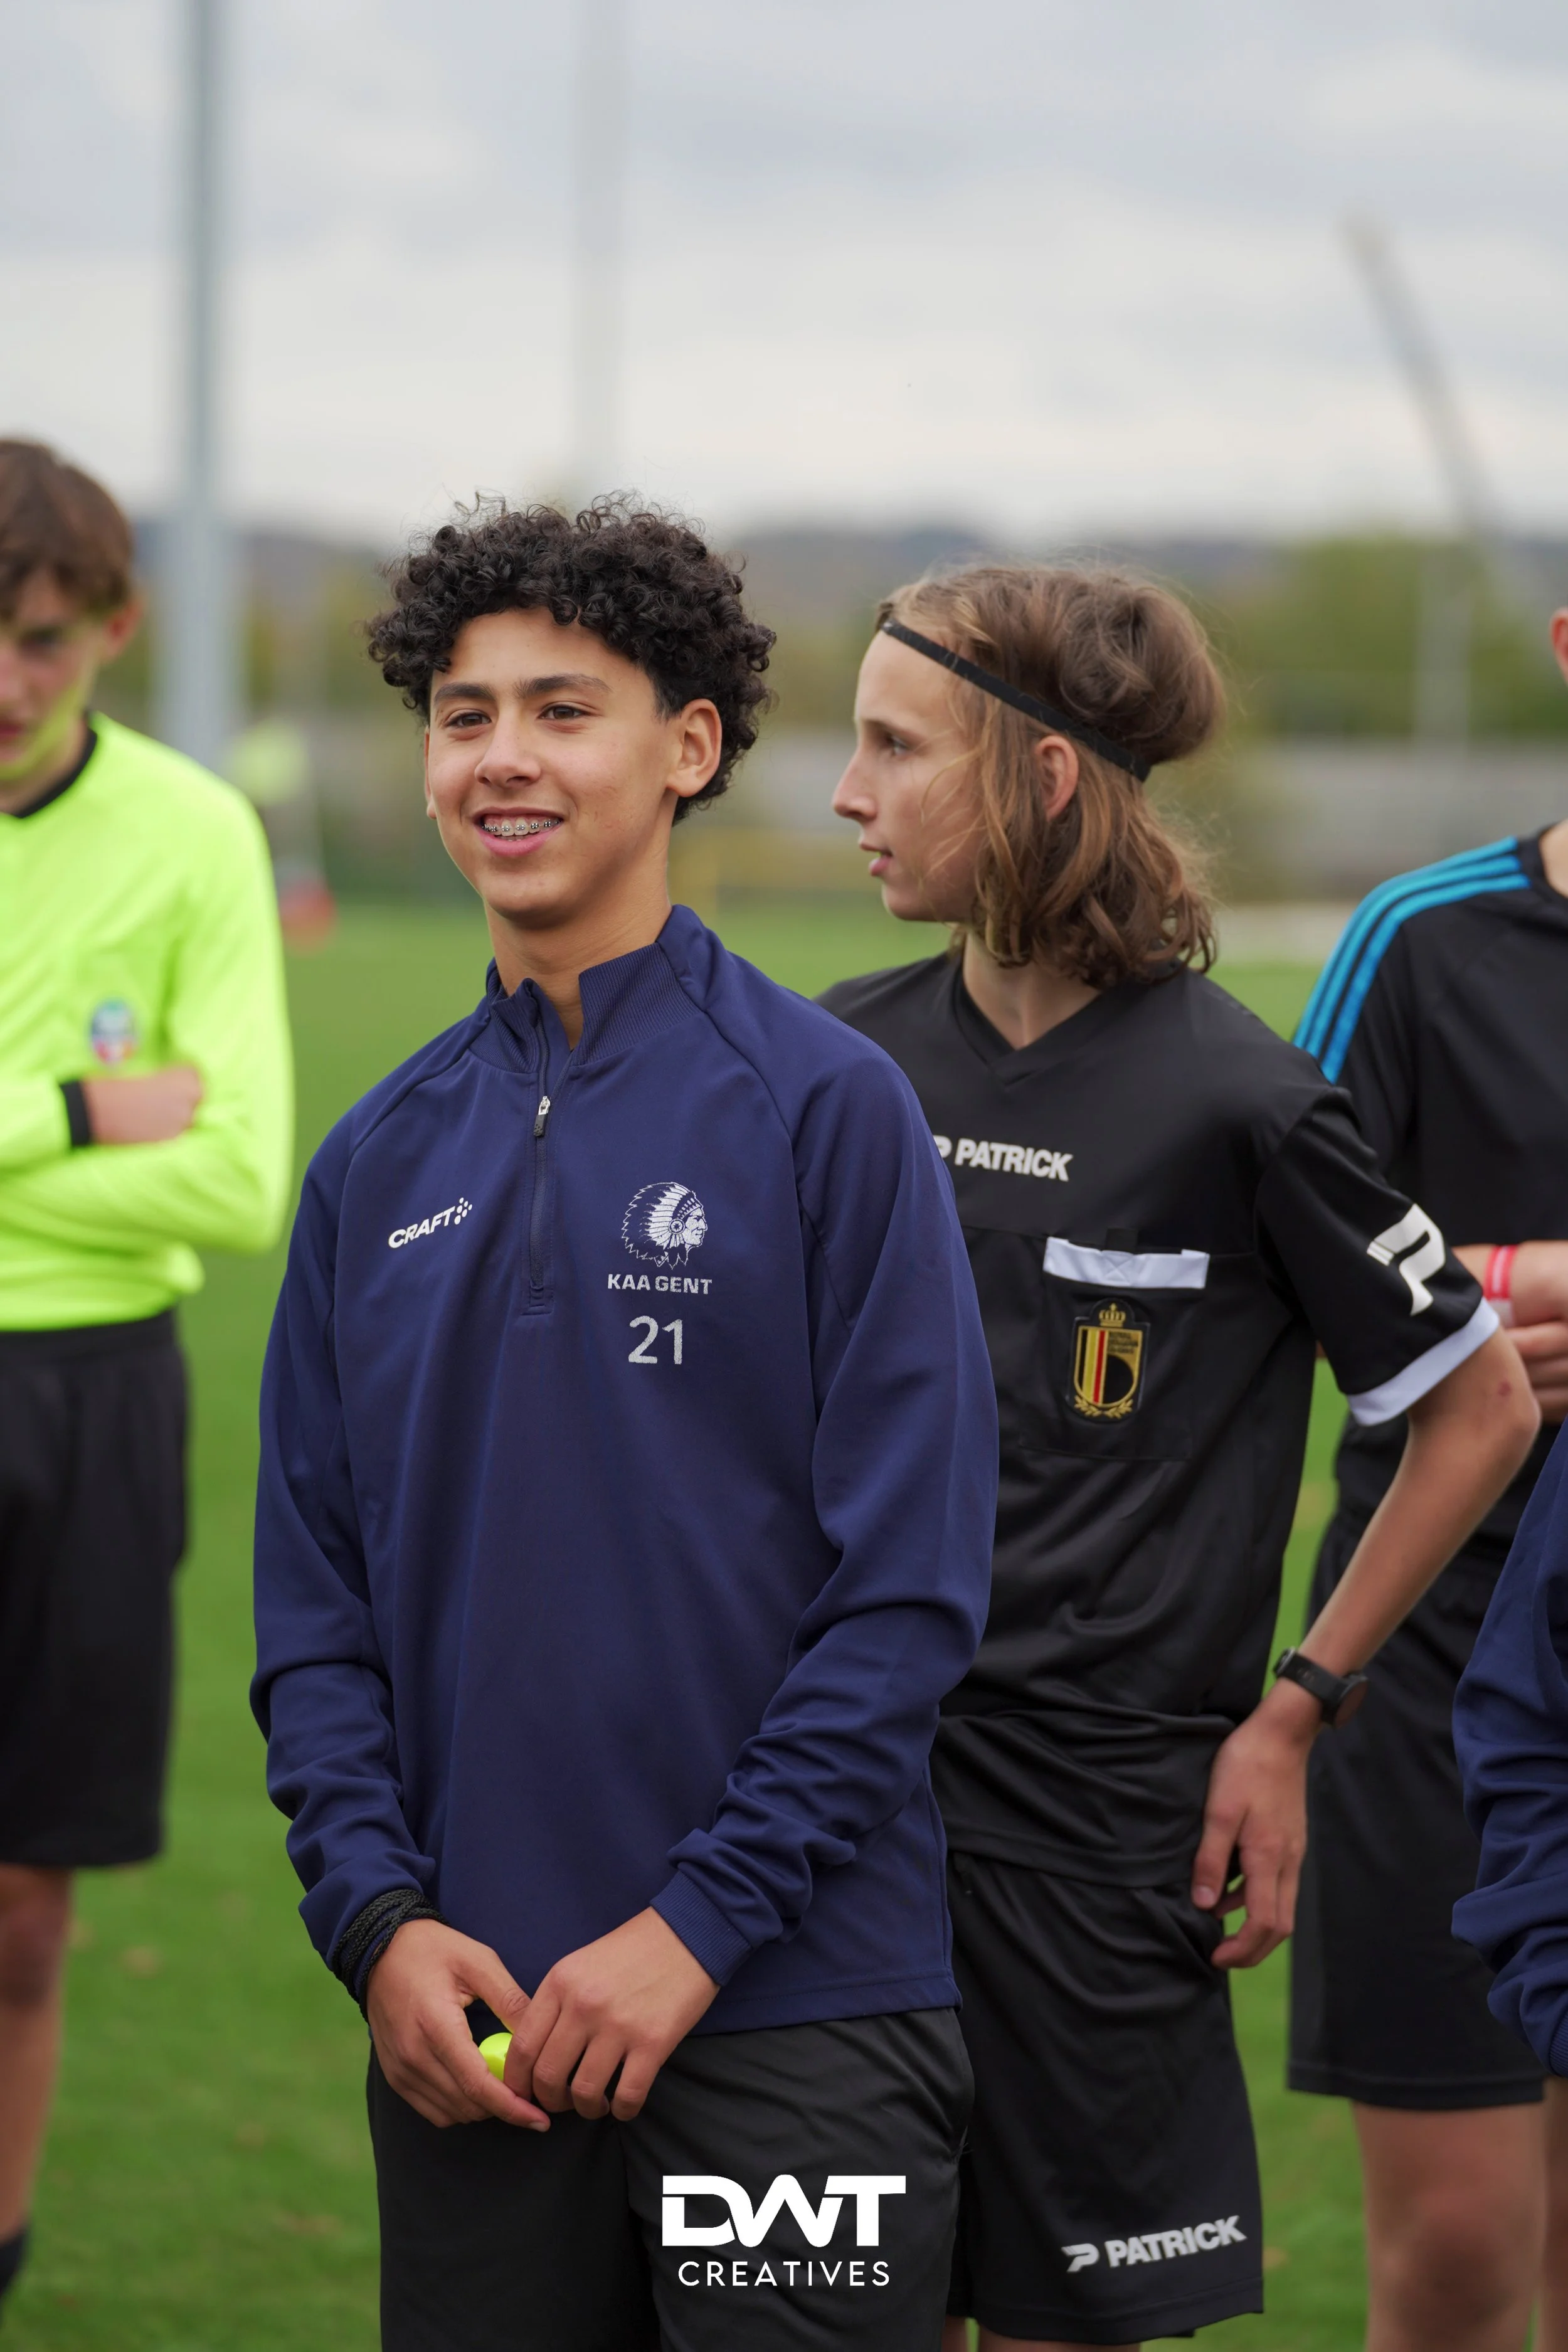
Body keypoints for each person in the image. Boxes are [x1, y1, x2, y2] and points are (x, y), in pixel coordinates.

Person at [251, 499, 998, 2352]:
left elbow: (905, 1590)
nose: (500, 755)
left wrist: (698, 1924)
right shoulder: (373, 1161)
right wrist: (376, 1922)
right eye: (461, 711)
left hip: (794, 2010)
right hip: (478, 2029)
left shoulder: (830, 1110)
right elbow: (312, 1604)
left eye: (560, 709)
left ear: (686, 749)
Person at [818, 561, 1538, 2352]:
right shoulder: (826, 1067)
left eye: (895, 748)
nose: (846, 794)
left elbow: (1473, 1403)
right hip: (830, 1818)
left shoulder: (1240, 1099)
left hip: (1100, 1845)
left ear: (1045, 776)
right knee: (813, 2309)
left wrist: (1294, 1708)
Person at [0, 439, 292, 2316]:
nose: (6, 683)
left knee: (24, 1916)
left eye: (41, 640)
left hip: (94, 1396)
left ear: (112, 628)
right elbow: (159, 1134)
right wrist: (77, 1108)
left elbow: (245, 1170)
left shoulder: (194, 830)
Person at [1291, 602, 1568, 2352]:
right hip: (1441, 1653)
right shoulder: (1421, 936)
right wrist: (1505, 1292)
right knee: (1461, 2259)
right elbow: (1271, 1257)